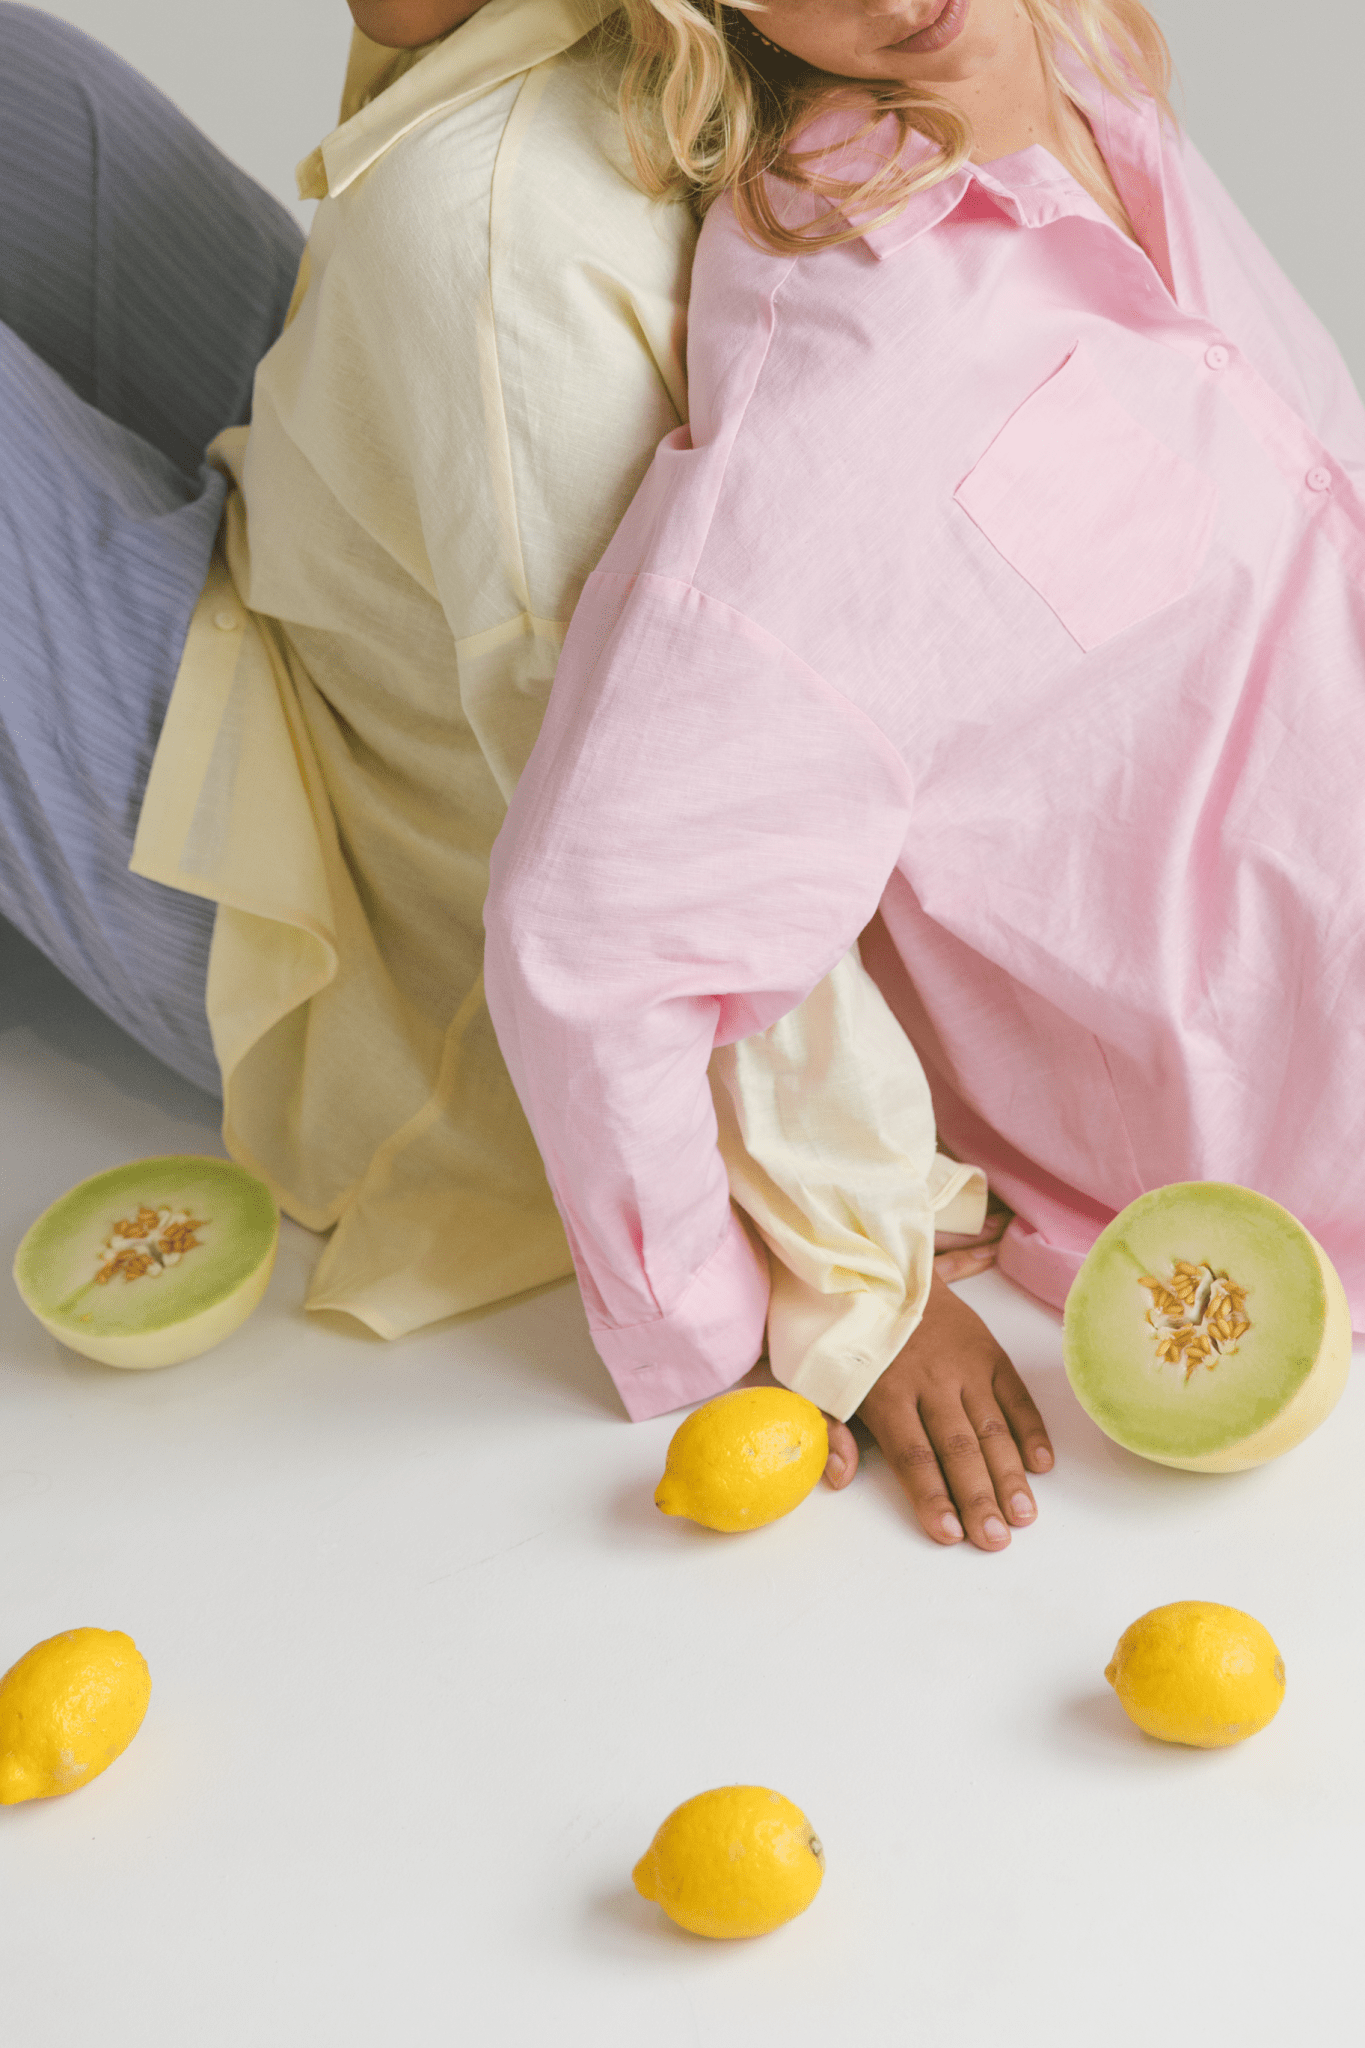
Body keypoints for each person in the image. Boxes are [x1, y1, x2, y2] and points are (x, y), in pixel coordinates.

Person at [0, 2, 1028, 1530]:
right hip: (343, 589)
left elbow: (656, 840)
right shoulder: (563, 59)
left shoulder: (499, 238)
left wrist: (859, 1253)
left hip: (369, 937)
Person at [483, 0, 1365, 1544]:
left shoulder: (1082, 66)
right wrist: (802, 1307)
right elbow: (590, 933)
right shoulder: (857, 351)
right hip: (1291, 1104)